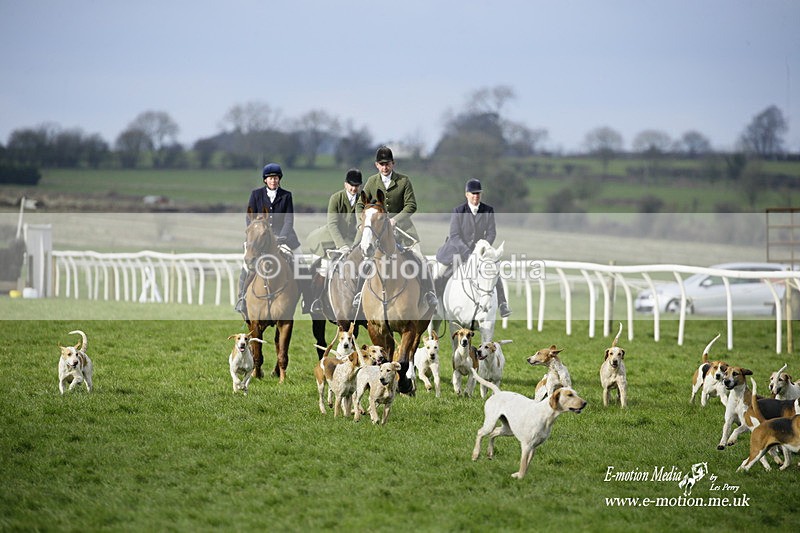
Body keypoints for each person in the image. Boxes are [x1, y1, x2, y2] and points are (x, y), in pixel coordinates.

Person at [354, 146, 437, 310]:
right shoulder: (371, 182)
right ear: (376, 165)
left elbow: (411, 205)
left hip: (403, 231)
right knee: (365, 260)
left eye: (387, 164)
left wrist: (395, 220)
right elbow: (359, 206)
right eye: (381, 164)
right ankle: (358, 294)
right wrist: (363, 223)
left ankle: (429, 293)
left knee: (419, 258)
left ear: (393, 163)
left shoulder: (403, 181)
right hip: (378, 232)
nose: (385, 167)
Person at [435, 178, 512, 318]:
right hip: (456, 250)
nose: (476, 196)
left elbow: (491, 233)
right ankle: (433, 302)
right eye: (473, 193)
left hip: (480, 252)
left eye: (478, 193)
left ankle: (503, 303)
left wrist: (483, 247)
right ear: (467, 194)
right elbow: (454, 235)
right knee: (440, 273)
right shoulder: (458, 211)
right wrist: (468, 252)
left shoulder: (488, 210)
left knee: (492, 271)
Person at [234, 163, 304, 316]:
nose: (273, 181)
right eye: (270, 178)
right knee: (247, 265)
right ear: (265, 180)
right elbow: (249, 218)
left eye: (276, 178)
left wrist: (282, 237)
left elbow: (289, 220)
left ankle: (309, 300)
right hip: (259, 239)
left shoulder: (286, 195)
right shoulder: (256, 194)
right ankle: (242, 298)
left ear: (279, 179)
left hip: (285, 237)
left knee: (301, 262)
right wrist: (255, 234)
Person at [304, 168, 363, 314]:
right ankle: (316, 300)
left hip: (354, 240)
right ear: (345, 184)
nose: (353, 188)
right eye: (351, 185)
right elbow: (332, 224)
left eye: (356, 185)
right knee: (324, 267)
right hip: (332, 238)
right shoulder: (336, 198)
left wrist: (355, 246)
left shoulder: (363, 199)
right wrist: (342, 246)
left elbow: (361, 225)